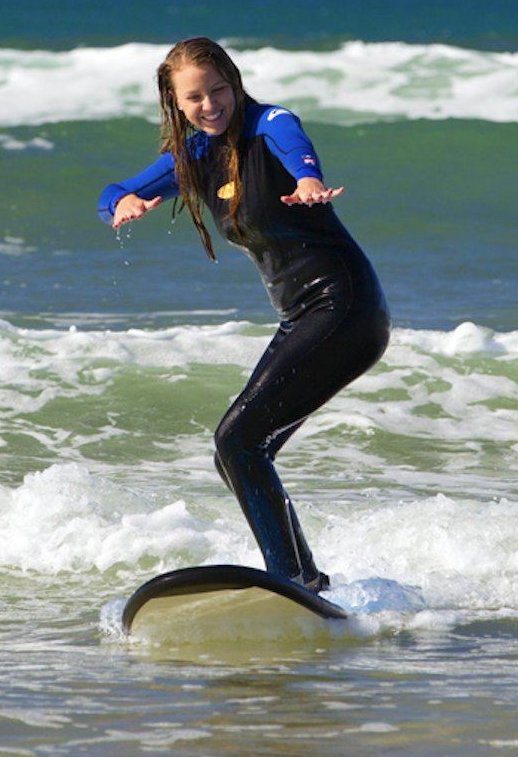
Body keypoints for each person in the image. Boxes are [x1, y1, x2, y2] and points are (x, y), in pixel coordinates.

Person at [97, 38, 389, 593]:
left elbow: (294, 145)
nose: (210, 105)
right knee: (237, 452)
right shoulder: (195, 155)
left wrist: (308, 180)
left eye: (219, 90)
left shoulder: (269, 124)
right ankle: (306, 580)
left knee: (237, 442)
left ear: (234, 83)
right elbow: (115, 191)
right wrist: (121, 204)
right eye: (195, 97)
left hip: (344, 307)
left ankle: (291, 580)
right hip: (303, 317)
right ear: (175, 103)